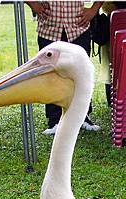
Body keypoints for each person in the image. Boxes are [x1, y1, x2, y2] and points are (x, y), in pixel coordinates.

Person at [25, 1, 102, 136]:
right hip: (49, 30)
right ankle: (54, 120)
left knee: (81, 75)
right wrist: (33, 4)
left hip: (78, 28)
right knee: (50, 76)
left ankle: (83, 117)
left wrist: (94, 9)